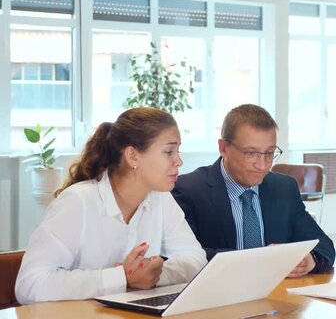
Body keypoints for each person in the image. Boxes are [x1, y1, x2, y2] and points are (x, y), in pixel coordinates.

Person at [15, 107, 207, 304]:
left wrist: (154, 275)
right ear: (133, 156)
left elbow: (195, 258)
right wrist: (122, 277)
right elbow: (29, 285)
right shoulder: (77, 201)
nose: (179, 161)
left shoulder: (160, 198)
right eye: (169, 152)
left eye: (178, 151)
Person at [171, 104, 335, 277]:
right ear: (224, 148)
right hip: (218, 296)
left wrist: (309, 259)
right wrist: (258, 260)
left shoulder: (284, 188)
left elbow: (324, 245)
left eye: (269, 153)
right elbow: (182, 256)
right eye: (251, 153)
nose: (262, 165)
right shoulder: (189, 189)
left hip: (278, 297)